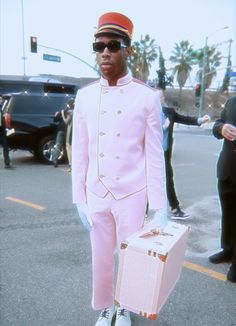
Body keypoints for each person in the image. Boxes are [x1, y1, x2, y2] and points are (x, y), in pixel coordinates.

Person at [72, 12, 167, 326]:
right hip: (97, 191)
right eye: (99, 46)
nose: (105, 52)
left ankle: (124, 306)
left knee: (131, 256)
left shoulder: (147, 98)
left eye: (114, 45)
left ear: (129, 50)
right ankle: (104, 306)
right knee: (100, 255)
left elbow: (154, 156)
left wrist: (160, 208)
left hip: (131, 193)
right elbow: (81, 152)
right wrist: (79, 199)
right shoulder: (84, 98)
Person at [158, 89, 210, 219]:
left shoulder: (169, 112)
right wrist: (163, 126)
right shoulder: (144, 113)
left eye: (158, 96)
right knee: (144, 183)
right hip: (148, 154)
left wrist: (200, 120)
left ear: (163, 98)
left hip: (164, 154)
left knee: (168, 181)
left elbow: (184, 119)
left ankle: (175, 209)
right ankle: (142, 212)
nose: (156, 99)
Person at [208, 95, 236, 283]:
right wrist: (221, 127)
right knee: (228, 213)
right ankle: (227, 249)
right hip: (227, 169)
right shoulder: (232, 101)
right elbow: (217, 125)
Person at [0, 101, 14, 169]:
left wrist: (7, 129)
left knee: (5, 146)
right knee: (5, 145)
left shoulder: (1, 108)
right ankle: (7, 164)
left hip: (2, 130)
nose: (1, 100)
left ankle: (7, 164)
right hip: (1, 131)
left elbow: (3, 121)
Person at [63, 98, 74, 172]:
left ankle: (71, 166)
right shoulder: (77, 111)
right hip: (76, 130)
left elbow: (66, 122)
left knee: (68, 147)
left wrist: (62, 114)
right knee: (73, 149)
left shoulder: (69, 112)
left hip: (70, 130)